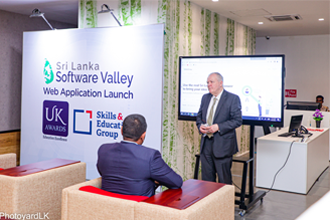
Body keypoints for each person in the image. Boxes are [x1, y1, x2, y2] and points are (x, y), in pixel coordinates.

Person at [97, 114, 183, 197]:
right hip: (138, 210)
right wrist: (154, 181)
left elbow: (103, 172)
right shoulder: (150, 156)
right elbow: (176, 182)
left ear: (121, 130)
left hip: (107, 208)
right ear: (143, 135)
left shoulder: (103, 150)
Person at [196, 72, 242, 184]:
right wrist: (200, 126)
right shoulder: (205, 98)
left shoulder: (232, 98)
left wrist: (218, 127)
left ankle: (225, 202)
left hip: (223, 146)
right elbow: (199, 117)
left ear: (220, 83)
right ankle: (210, 201)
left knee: (224, 181)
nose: (209, 85)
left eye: (211, 82)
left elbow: (237, 120)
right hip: (206, 144)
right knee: (207, 181)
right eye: (207, 82)